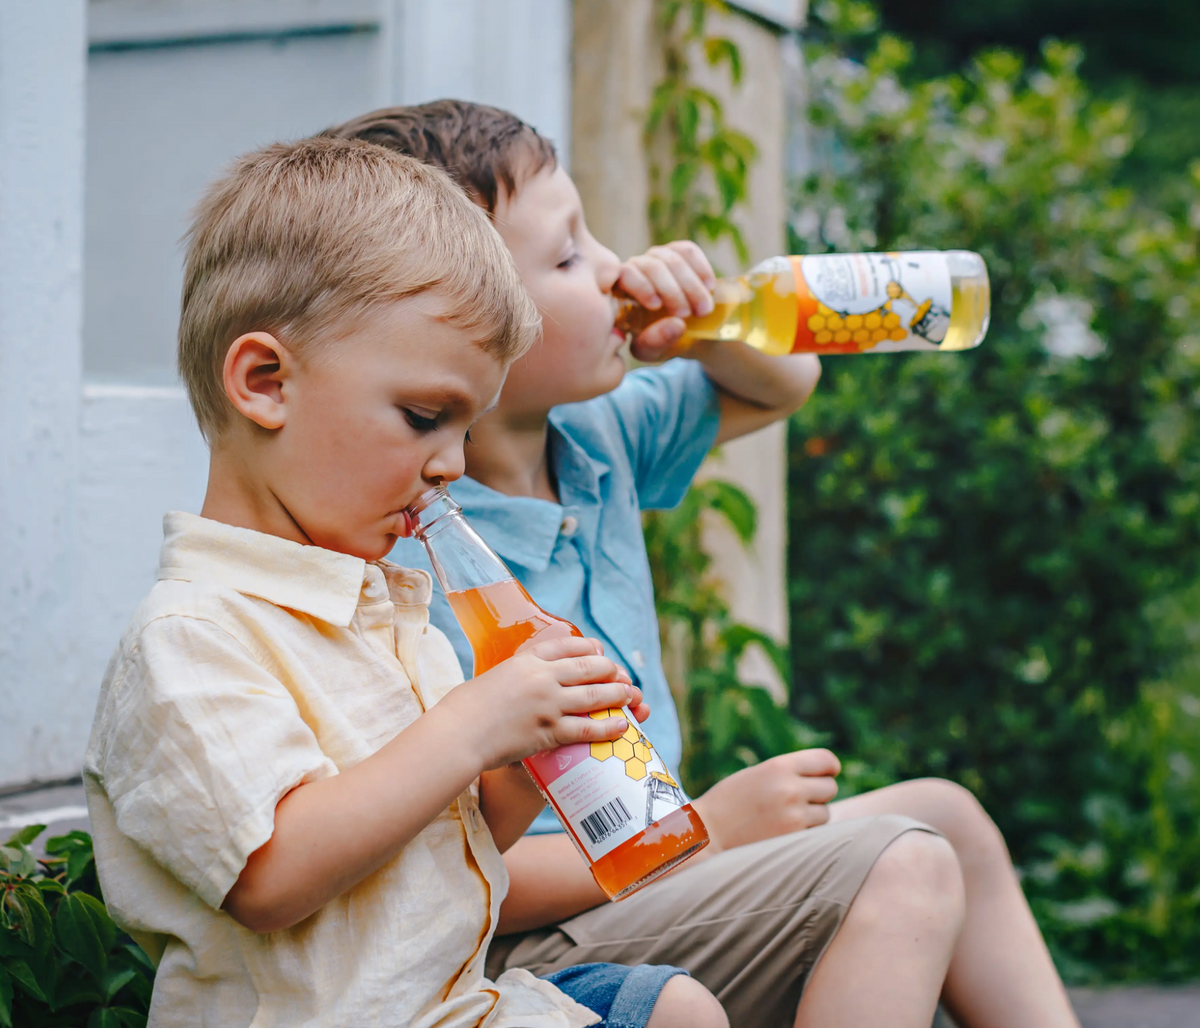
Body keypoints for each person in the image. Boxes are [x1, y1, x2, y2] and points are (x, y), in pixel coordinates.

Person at [328, 100, 1082, 1028]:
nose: (611, 270)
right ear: (464, 333)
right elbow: (458, 879)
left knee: (950, 819)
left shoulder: (594, 434)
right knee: (904, 861)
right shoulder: (415, 549)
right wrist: (710, 832)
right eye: (568, 257)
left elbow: (782, 379)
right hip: (521, 939)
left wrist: (697, 323)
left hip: (654, 873)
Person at [82, 137, 729, 1028]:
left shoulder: (394, 619)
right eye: (426, 417)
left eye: (465, 429)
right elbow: (271, 877)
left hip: (460, 1005)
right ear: (264, 382)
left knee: (678, 1011)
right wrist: (474, 725)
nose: (450, 465)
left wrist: (526, 762)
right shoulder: (193, 637)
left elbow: (445, 856)